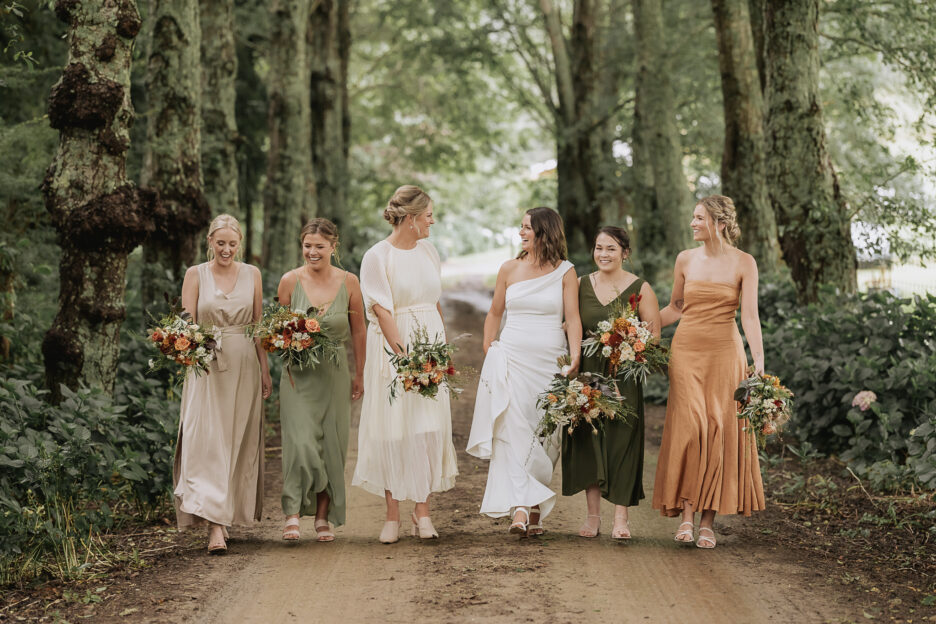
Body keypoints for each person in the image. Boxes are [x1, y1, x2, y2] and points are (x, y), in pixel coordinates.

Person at [652, 195, 766, 549]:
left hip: (725, 354)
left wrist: (758, 361)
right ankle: (685, 516)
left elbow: (749, 316)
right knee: (690, 426)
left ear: (719, 222)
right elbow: (676, 306)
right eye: (693, 217)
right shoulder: (685, 259)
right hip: (686, 351)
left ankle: (706, 522)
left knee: (717, 428)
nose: (692, 223)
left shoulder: (744, 263)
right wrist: (638, 331)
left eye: (699, 217)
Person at [352, 185, 458, 543]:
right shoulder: (377, 256)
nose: (433, 221)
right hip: (394, 349)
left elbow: (435, 301)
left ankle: (422, 511)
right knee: (393, 428)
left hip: (430, 343)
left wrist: (440, 352)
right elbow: (381, 310)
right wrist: (405, 360)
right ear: (411, 219)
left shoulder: (429, 251)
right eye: (428, 216)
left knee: (427, 427)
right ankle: (393, 514)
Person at [467, 206, 582, 536]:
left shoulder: (565, 271)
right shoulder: (509, 269)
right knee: (513, 431)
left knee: (546, 434)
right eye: (521, 227)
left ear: (545, 232)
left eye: (527, 228)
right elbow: (494, 312)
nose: (521, 233)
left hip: (550, 361)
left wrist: (574, 357)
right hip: (513, 359)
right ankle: (519, 507)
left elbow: (572, 318)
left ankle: (534, 510)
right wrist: (490, 346)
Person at [174, 214, 272, 554]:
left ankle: (225, 514)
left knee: (235, 439)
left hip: (244, 361)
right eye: (220, 243)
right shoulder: (195, 274)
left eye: (232, 244)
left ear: (239, 244)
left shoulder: (253, 274)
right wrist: (193, 349)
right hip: (206, 365)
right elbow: (186, 322)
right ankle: (214, 525)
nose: (226, 249)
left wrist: (265, 368)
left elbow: (258, 325)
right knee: (208, 440)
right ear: (210, 243)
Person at [562, 227, 660, 539]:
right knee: (590, 439)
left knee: (621, 441)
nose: (603, 254)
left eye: (611, 249)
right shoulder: (579, 284)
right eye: (599, 247)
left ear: (625, 253)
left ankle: (621, 518)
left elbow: (654, 334)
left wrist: (630, 342)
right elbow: (568, 323)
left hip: (624, 373)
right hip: (589, 370)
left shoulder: (640, 287)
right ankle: (593, 517)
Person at [277, 218, 366, 542]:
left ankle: (322, 518)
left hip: (335, 372)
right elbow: (276, 330)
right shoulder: (289, 281)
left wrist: (360, 374)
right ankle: (292, 513)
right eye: (307, 246)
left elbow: (359, 330)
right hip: (297, 375)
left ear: (333, 247)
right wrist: (286, 341)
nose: (312, 252)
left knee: (331, 446)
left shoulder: (350, 282)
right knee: (300, 444)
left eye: (319, 246)